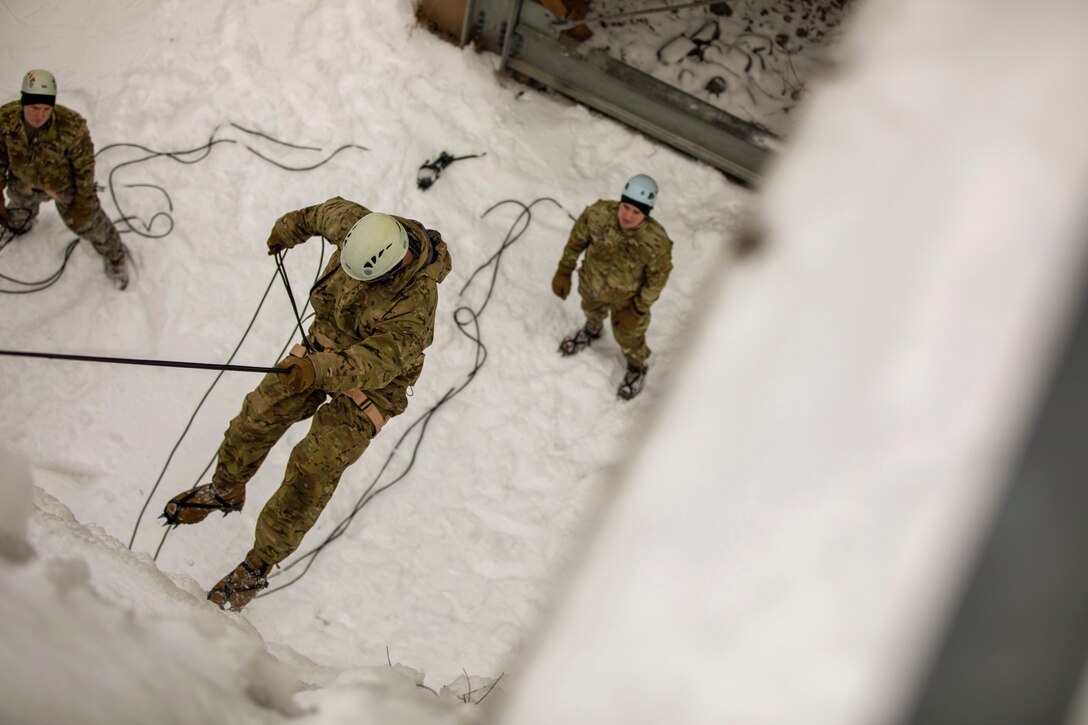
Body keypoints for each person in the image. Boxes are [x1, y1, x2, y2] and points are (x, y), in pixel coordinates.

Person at [162, 197, 452, 611]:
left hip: (371, 388)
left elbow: (377, 363)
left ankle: (259, 564)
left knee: (312, 467)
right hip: (323, 351)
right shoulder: (361, 228)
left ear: (396, 265)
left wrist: (318, 370)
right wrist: (287, 229)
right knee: (257, 413)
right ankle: (225, 490)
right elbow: (318, 214)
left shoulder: (417, 303)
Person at [0, 69, 128, 289]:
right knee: (18, 212)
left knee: (89, 224)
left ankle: (116, 255)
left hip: (63, 187)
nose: (39, 115)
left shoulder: (71, 126)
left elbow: (85, 168)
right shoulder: (5, 120)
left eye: (46, 109)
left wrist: (82, 201)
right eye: (33, 108)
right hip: (23, 182)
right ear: (23, 102)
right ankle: (19, 225)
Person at [552, 174, 673, 399]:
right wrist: (564, 269)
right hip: (592, 283)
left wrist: (638, 309)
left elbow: (656, 280)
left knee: (629, 336)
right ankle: (592, 330)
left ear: (646, 213)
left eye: (636, 212)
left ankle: (637, 367)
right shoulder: (598, 214)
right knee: (591, 311)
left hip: (627, 300)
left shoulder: (656, 242)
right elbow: (577, 240)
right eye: (625, 207)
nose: (628, 215)